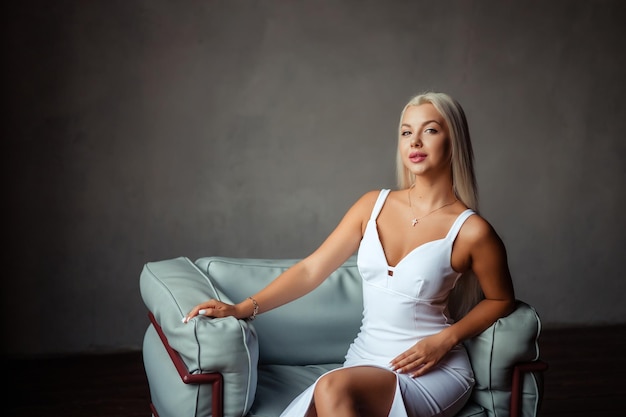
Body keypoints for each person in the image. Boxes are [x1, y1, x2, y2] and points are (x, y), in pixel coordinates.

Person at [183, 91, 516, 417]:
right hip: (364, 360)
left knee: (331, 389)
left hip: (430, 369)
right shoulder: (373, 205)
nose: (414, 142)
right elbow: (312, 269)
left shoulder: (472, 231)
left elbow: (501, 300)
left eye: (429, 130)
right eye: (406, 132)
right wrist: (241, 308)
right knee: (329, 394)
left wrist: (445, 340)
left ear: (453, 140)